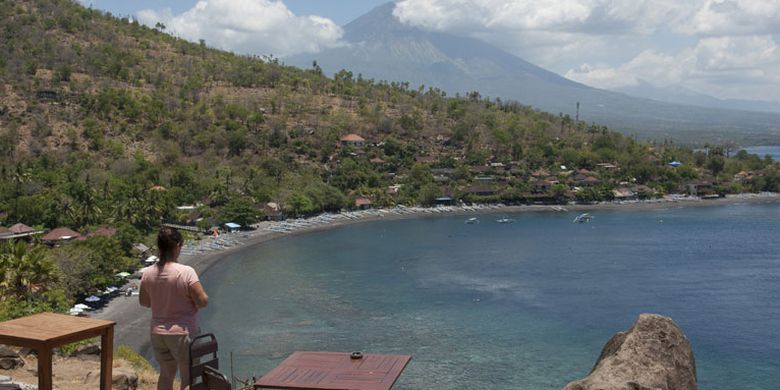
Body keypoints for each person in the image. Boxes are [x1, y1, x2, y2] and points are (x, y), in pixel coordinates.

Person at [139, 227, 209, 390]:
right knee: (189, 377)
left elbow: (144, 302)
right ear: (177, 246)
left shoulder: (148, 273)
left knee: (166, 374)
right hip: (182, 332)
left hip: (158, 332)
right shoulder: (186, 272)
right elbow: (203, 300)